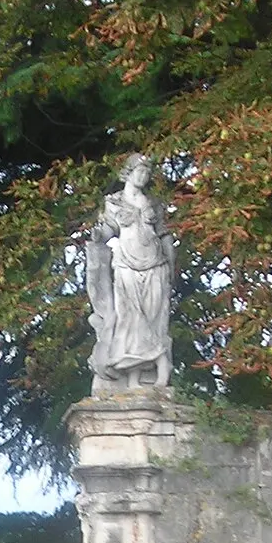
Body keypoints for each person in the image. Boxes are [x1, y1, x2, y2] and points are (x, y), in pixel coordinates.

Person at [86, 154, 173, 391]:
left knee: (154, 321)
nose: (143, 176)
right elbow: (107, 232)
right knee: (130, 321)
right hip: (126, 267)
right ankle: (135, 375)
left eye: (147, 172)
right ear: (128, 172)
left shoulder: (153, 204)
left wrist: (172, 266)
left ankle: (160, 369)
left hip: (155, 266)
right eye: (139, 171)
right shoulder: (114, 202)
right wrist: (96, 237)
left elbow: (165, 235)